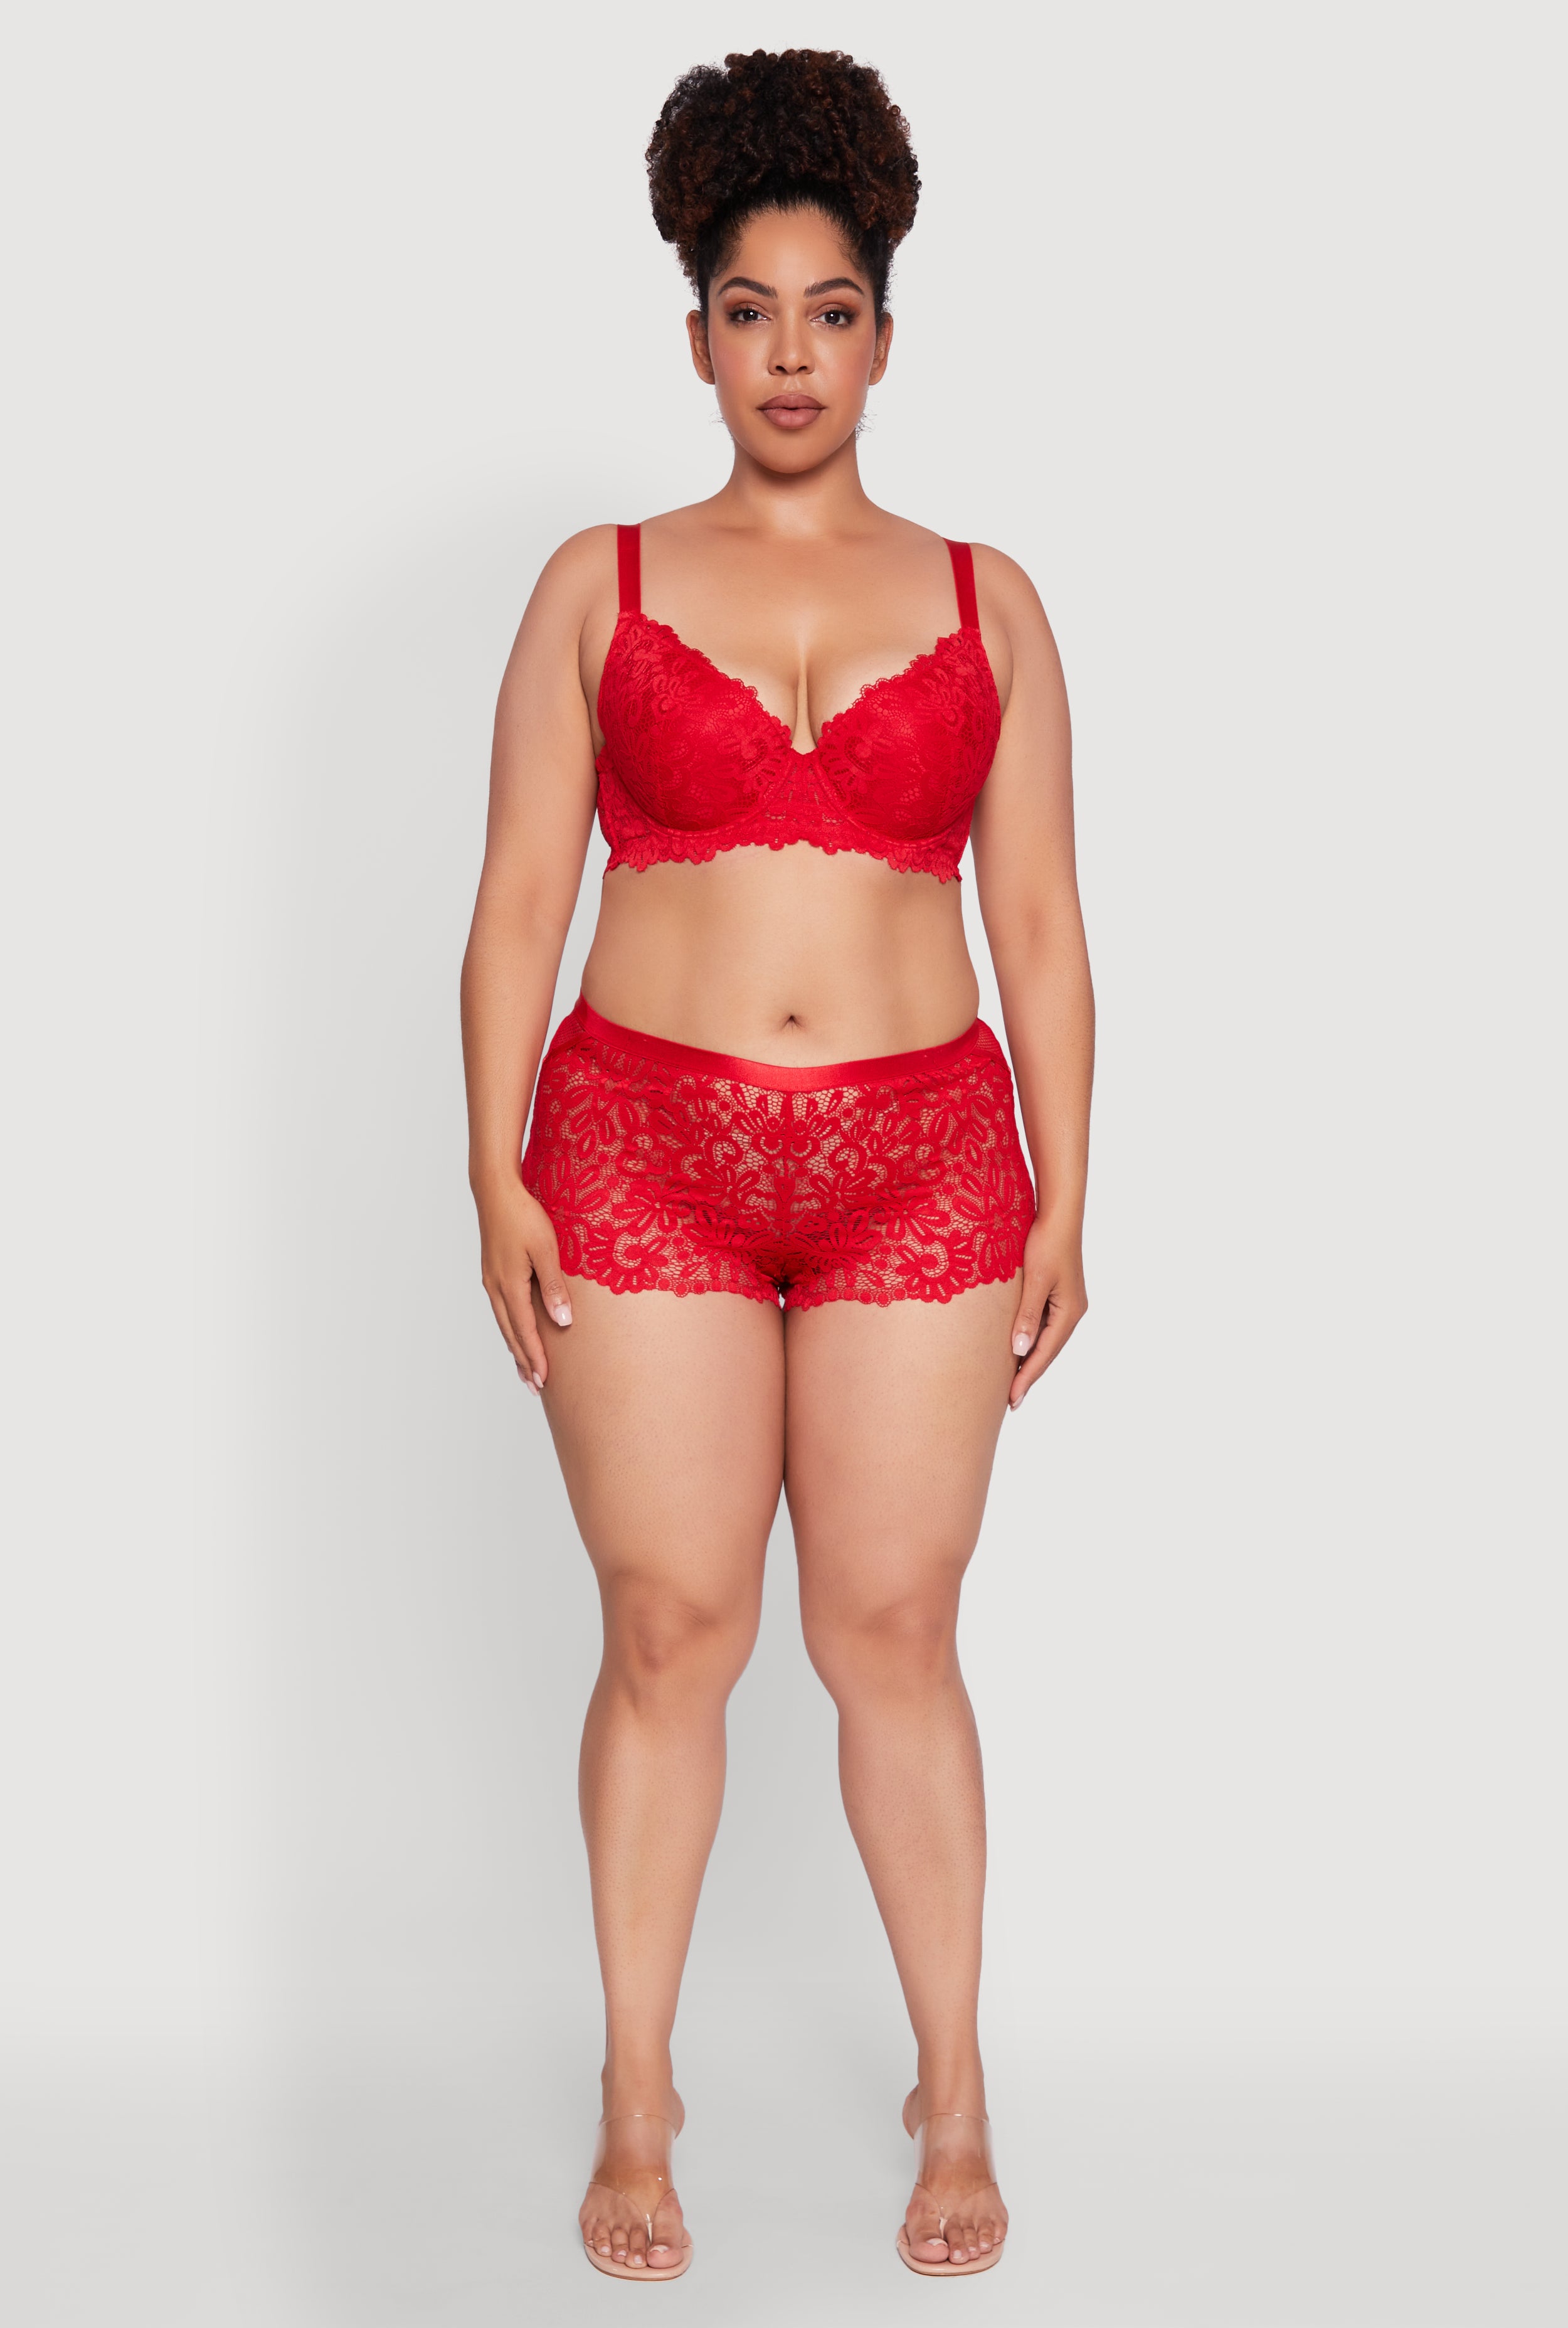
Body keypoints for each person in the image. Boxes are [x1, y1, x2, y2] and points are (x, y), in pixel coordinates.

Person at [460, 46, 1092, 2281]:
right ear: (696, 336)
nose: (791, 355)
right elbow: (515, 907)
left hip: (925, 1159)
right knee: (670, 1626)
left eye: (830, 314)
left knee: (892, 1628)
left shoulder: (990, 599)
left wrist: (1071, 1192)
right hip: (641, 1146)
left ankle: (955, 2086)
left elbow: (1040, 926)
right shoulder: (598, 581)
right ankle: (637, 2089)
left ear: (885, 340)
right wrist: (490, 1172)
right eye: (751, 313)